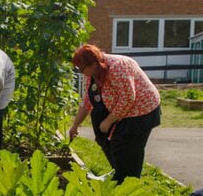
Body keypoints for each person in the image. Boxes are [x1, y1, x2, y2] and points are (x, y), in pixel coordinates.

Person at [68, 45, 161, 182]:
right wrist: (75, 125)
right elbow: (87, 100)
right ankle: (119, 175)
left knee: (126, 148)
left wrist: (108, 121)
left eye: (82, 69)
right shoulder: (93, 73)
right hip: (122, 109)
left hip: (141, 110)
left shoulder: (117, 67)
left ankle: (128, 185)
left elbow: (128, 98)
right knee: (108, 143)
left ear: (93, 63)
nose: (81, 73)